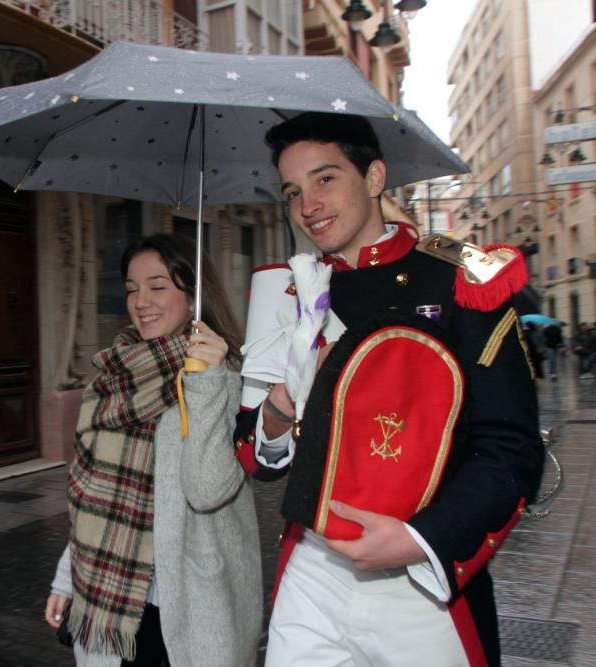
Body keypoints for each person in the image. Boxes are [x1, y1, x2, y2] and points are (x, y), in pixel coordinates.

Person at [232, 112, 544, 667]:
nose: (308, 206)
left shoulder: (462, 276)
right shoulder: (285, 294)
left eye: (325, 179)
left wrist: (420, 539)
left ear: (374, 178)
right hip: (313, 570)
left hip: (422, 579)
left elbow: (511, 450)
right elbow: (260, 462)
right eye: (292, 191)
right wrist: (279, 410)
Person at [45, 234, 262, 667]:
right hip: (112, 601)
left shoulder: (231, 379)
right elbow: (92, 498)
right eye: (131, 288)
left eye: (158, 286)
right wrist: (66, 579)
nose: (141, 301)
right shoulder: (112, 378)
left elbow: (207, 490)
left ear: (194, 295)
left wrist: (206, 383)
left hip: (190, 606)